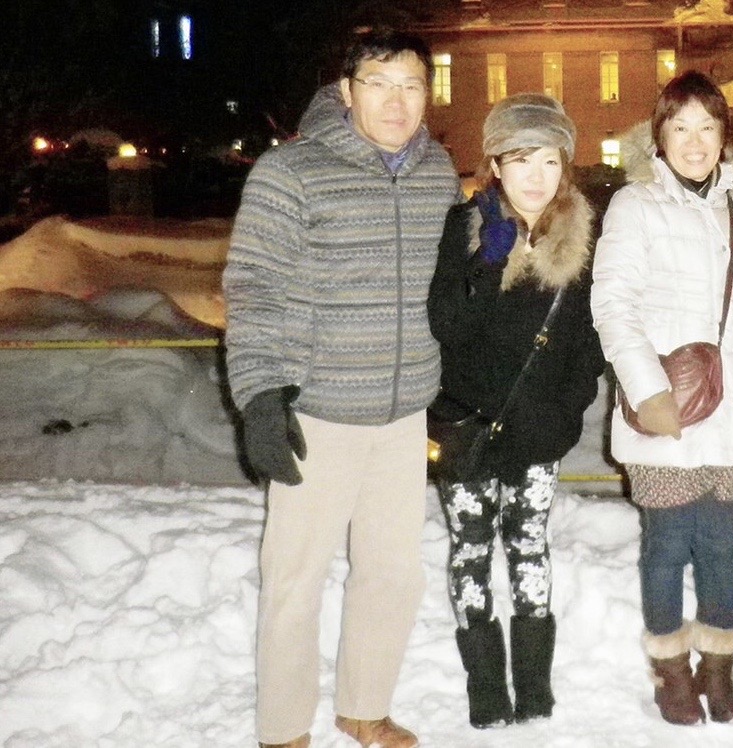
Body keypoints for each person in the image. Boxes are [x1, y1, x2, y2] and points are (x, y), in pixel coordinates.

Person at [223, 29, 458, 748]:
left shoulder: (437, 173)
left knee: (392, 573)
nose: (396, 101)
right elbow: (254, 287)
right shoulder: (290, 172)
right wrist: (261, 396)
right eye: (379, 84)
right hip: (316, 412)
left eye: (411, 85)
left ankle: (364, 706)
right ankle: (283, 729)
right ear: (348, 92)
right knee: (295, 580)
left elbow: (451, 290)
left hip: (403, 412)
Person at [590, 70, 733, 726]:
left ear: (723, 135)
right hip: (668, 410)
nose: (694, 141)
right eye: (679, 127)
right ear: (659, 135)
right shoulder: (634, 204)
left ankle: (717, 666)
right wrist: (647, 390)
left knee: (720, 543)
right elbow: (612, 306)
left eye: (707, 127)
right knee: (667, 543)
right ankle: (671, 670)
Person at [427, 93, 602, 729]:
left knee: (530, 545)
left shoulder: (581, 233)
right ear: (495, 164)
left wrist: (568, 412)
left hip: (537, 428)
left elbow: (588, 340)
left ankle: (532, 685)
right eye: (521, 159)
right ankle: (485, 686)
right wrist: (488, 262)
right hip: (468, 422)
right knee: (471, 549)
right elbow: (447, 326)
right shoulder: (464, 228)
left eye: (550, 160)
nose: (536, 175)